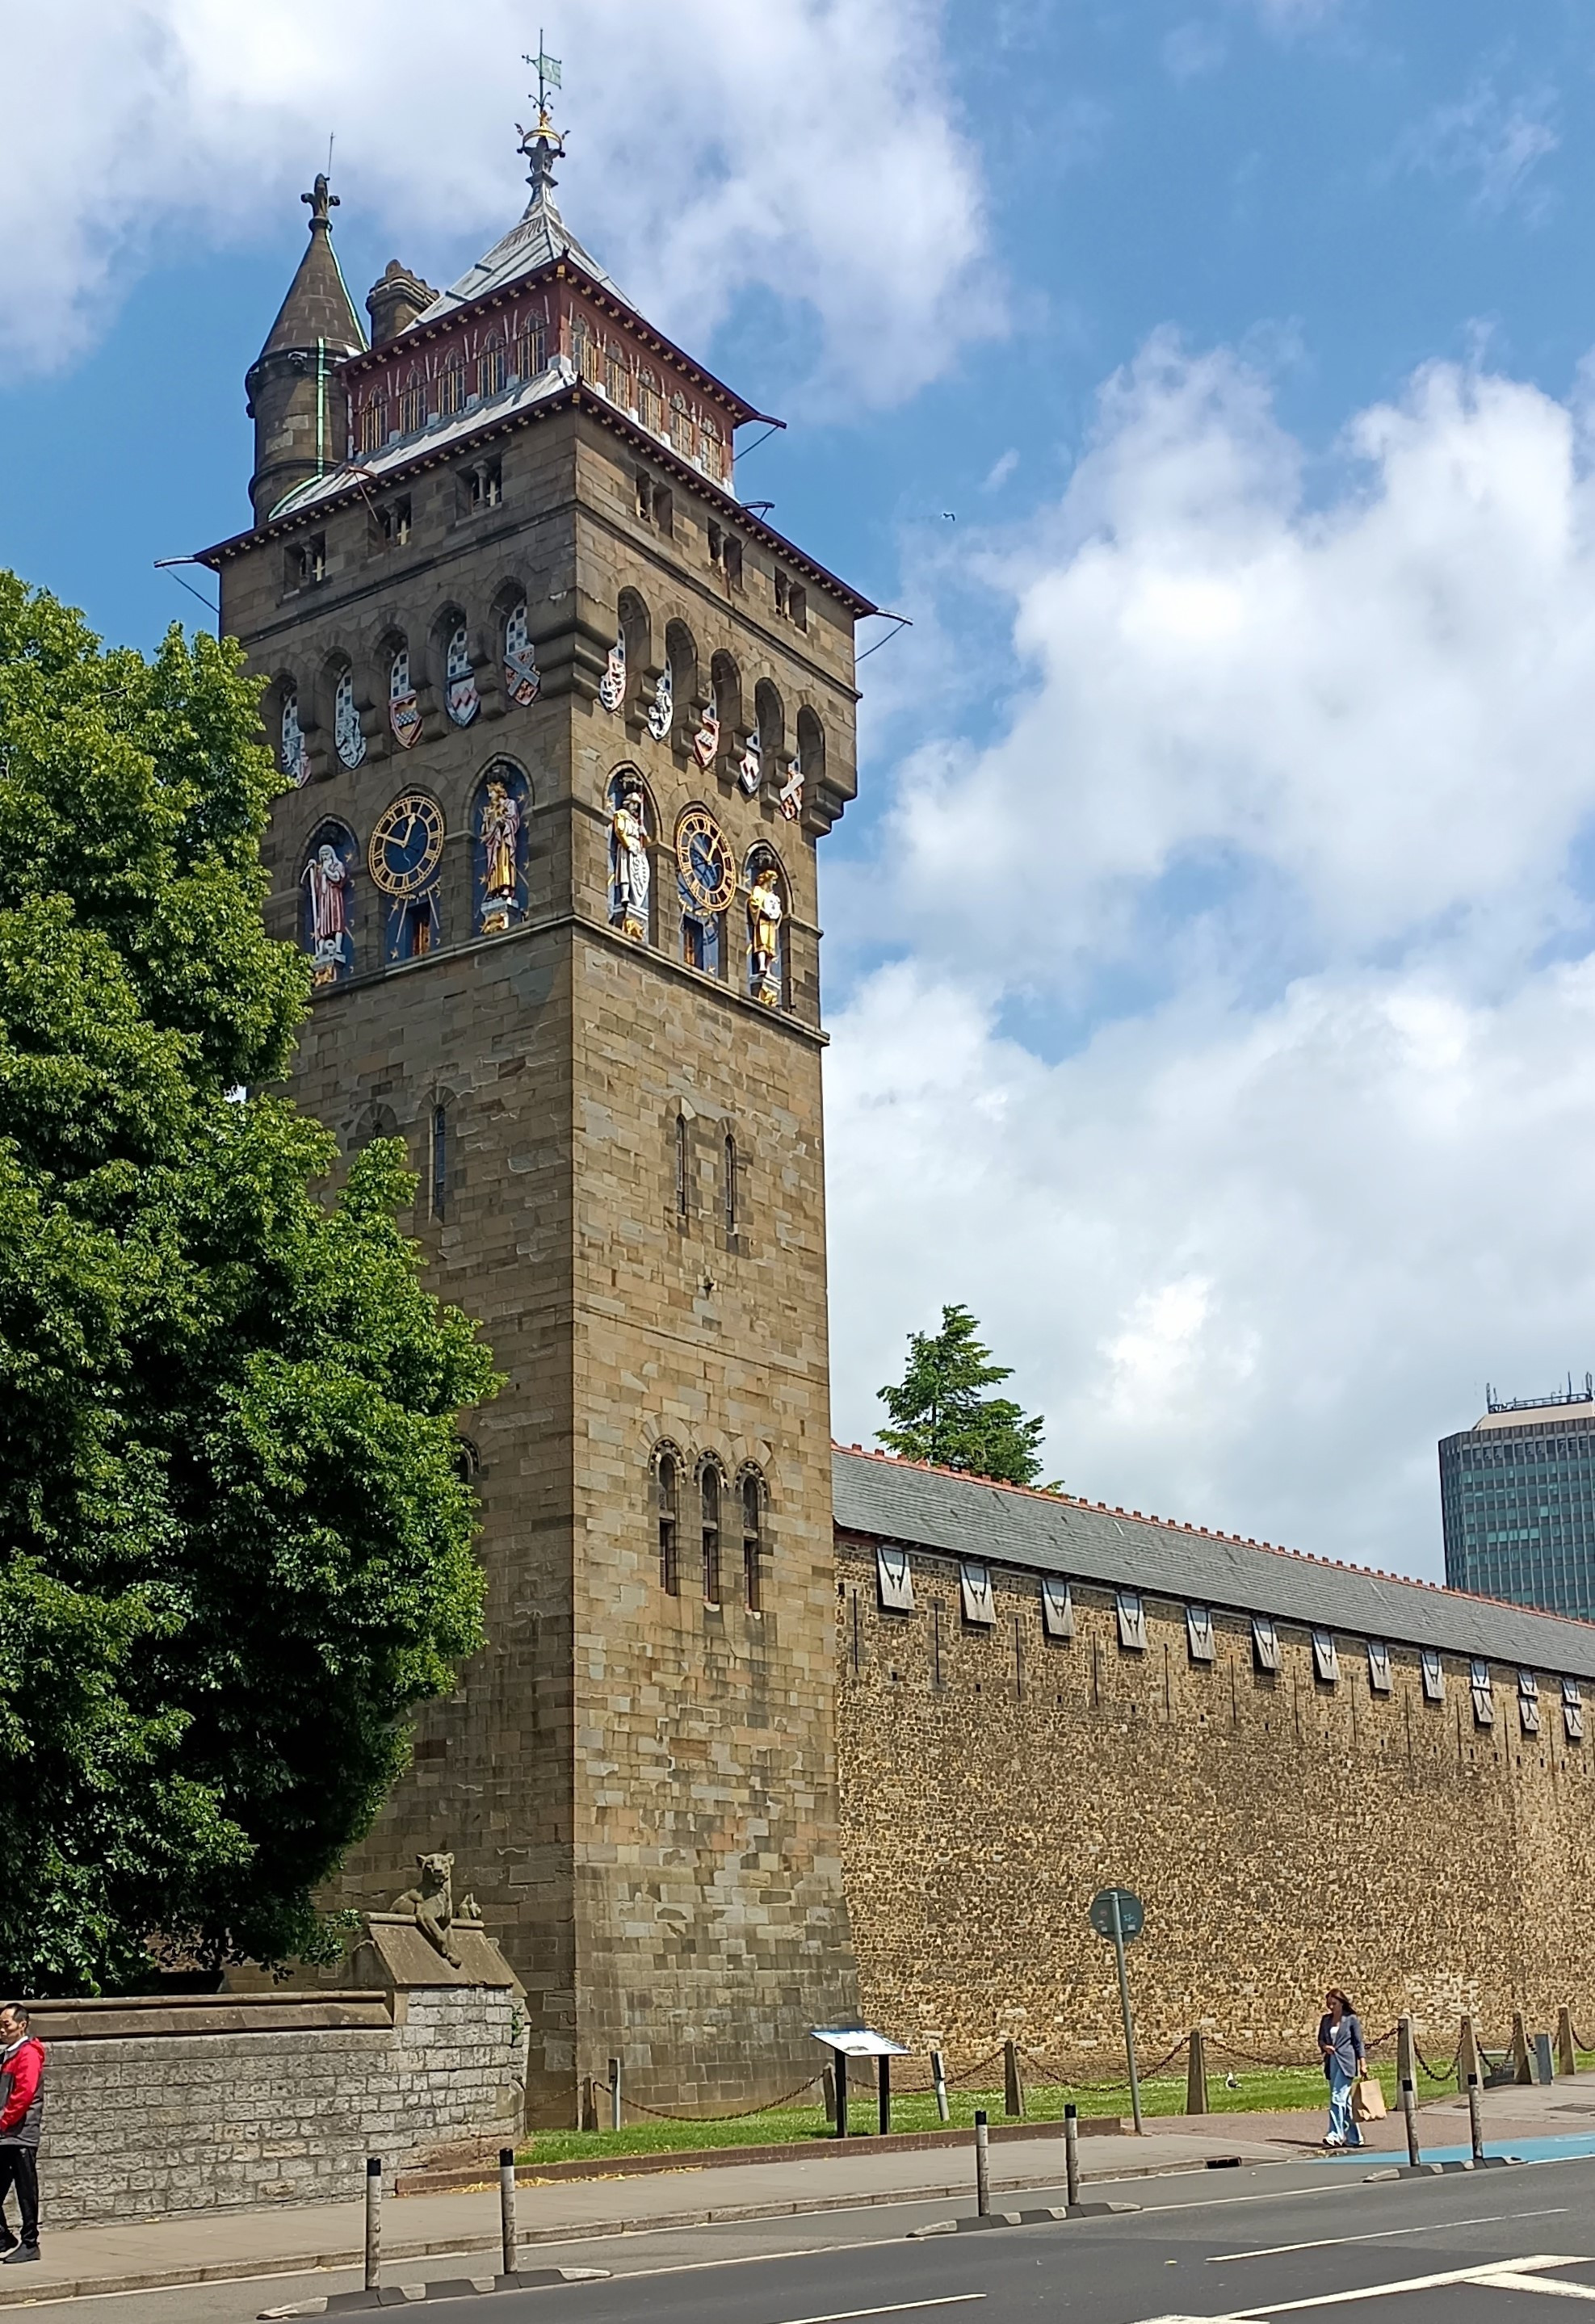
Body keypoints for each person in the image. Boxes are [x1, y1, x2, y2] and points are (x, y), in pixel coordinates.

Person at [0, 2003, 44, 2261]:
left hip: (21, 2134)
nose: (2, 2029)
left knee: (26, 2190)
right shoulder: (9, 2054)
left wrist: (4, 2121)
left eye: (7, 2024)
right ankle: (4, 2237)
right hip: (7, 2134)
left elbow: (23, 2095)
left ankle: (30, 2244)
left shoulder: (27, 2054)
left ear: (22, 2025)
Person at [1317, 1986, 1367, 2150]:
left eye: (1334, 2003)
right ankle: (1354, 2137)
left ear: (1341, 2003)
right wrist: (1325, 2047)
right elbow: (1321, 2040)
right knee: (1344, 2102)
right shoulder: (1326, 2020)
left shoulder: (1351, 2019)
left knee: (1337, 2097)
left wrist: (1363, 2063)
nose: (1331, 2007)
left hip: (1347, 2062)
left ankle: (1335, 2135)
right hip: (1332, 2062)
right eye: (1329, 2004)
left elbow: (1358, 2043)